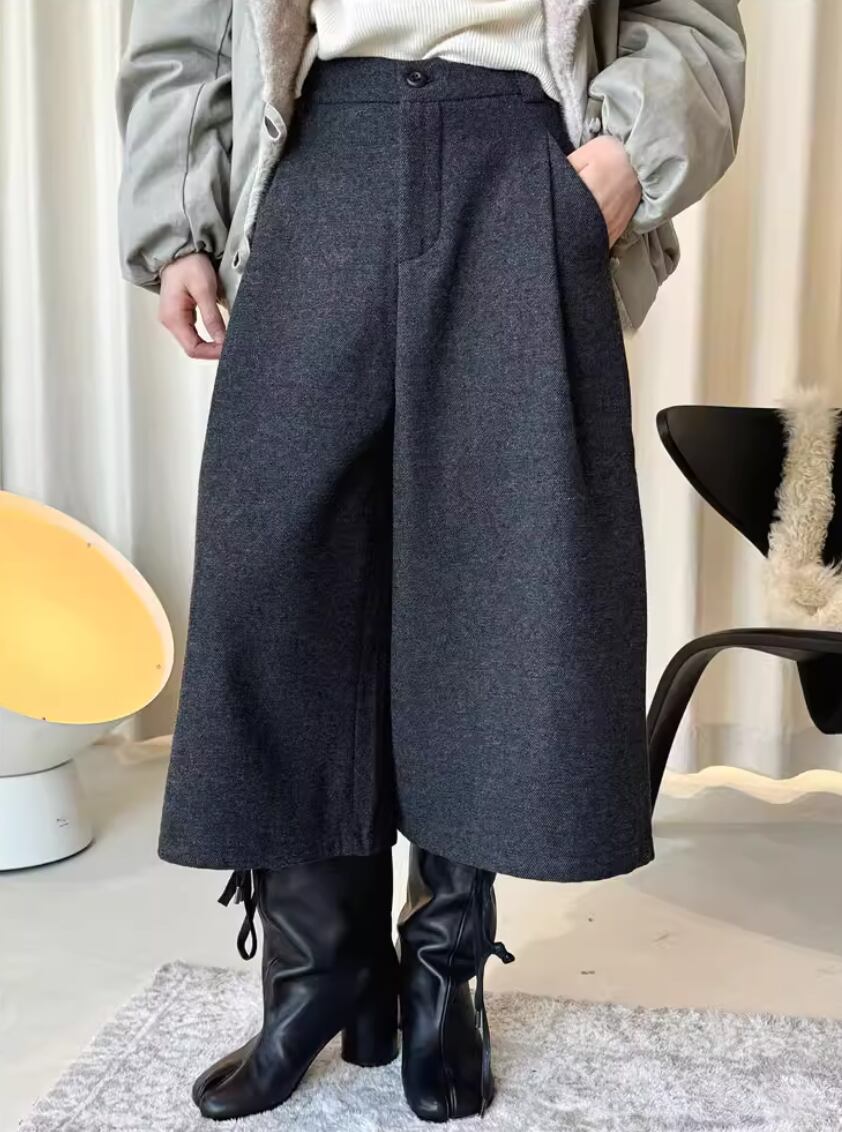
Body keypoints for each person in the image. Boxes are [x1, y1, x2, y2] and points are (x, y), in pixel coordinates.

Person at [117, 0, 746, 1122]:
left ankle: (444, 970)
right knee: (284, 572)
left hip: (522, 161)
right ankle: (320, 974)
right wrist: (177, 224)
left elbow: (690, 21)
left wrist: (619, 160)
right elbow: (184, 24)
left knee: (500, 576)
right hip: (319, 148)